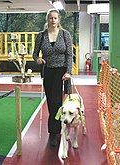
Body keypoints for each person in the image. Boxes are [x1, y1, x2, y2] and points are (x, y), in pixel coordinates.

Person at [33, 9, 73, 147]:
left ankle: (55, 132)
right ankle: (55, 129)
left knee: (59, 102)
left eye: (55, 18)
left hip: (62, 73)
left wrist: (69, 72)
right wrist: (38, 59)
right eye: (51, 18)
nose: (53, 20)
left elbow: (69, 55)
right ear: (47, 19)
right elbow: (35, 54)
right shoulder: (41, 36)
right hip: (48, 71)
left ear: (58, 20)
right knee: (52, 102)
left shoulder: (65, 34)